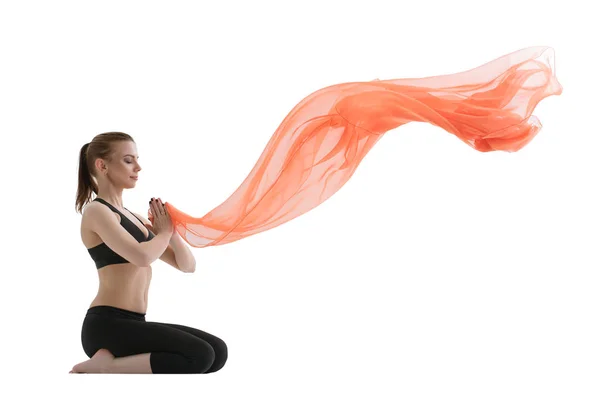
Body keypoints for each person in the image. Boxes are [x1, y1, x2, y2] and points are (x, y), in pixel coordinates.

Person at [70, 131, 228, 374]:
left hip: (134, 323)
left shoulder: (135, 218)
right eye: (128, 160)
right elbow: (142, 256)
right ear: (102, 166)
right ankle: (107, 366)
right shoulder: (97, 212)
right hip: (106, 325)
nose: (138, 167)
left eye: (137, 158)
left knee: (217, 352)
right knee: (201, 356)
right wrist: (163, 234)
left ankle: (110, 362)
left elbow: (187, 265)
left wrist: (171, 232)